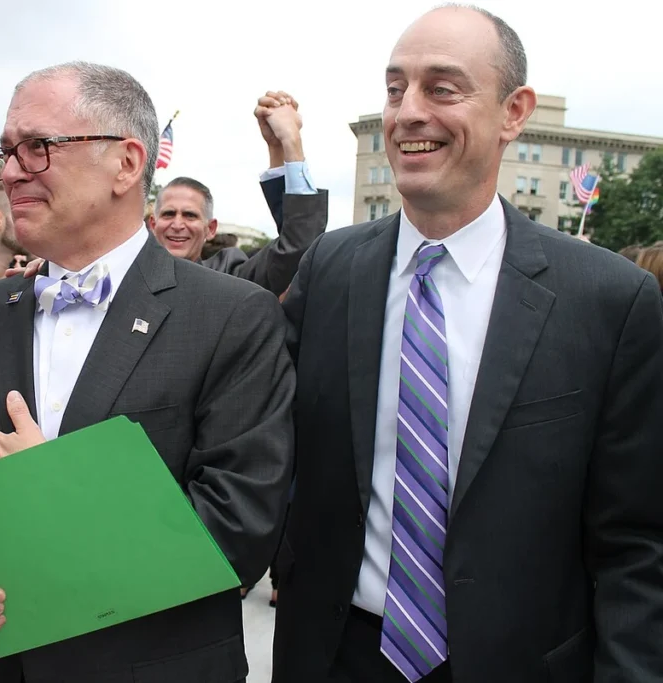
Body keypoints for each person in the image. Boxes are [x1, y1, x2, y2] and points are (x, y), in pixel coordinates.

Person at [273, 6, 663, 683]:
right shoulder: (330, 271)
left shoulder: (610, 300)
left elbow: (636, 543)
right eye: (395, 89)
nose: (407, 113)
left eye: (442, 88)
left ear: (515, 111)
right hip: (336, 655)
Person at [0, 61, 295, 683]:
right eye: (4, 152)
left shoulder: (231, 316)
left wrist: (46, 486)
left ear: (126, 162)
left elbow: (236, 533)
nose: (10, 173)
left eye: (37, 148)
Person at [147, 95, 327, 297]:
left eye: (190, 215)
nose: (178, 225)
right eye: (169, 214)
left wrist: (288, 142)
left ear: (211, 229)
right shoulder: (125, 276)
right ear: (153, 224)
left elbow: (297, 244)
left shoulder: (228, 278)